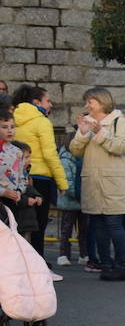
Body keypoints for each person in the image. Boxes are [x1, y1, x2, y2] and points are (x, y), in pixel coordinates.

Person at [70, 87, 125, 282]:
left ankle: (120, 266)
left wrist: (100, 132)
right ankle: (105, 265)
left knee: (114, 225)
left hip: (114, 183)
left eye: (91, 101)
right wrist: (82, 133)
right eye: (87, 101)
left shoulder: (118, 121)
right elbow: (75, 151)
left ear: (102, 102)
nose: (87, 105)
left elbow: (122, 146)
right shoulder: (88, 124)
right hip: (94, 182)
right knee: (97, 225)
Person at [11, 86, 68, 270]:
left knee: (21, 223)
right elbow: (50, 154)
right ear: (37, 103)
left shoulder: (14, 119)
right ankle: (38, 264)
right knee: (39, 224)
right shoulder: (41, 121)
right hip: (41, 175)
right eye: (48, 101)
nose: (50, 104)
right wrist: (62, 182)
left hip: (20, 174)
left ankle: (23, 263)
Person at [54, 133, 83, 267]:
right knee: (66, 229)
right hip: (70, 201)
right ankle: (63, 254)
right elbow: (68, 183)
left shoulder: (81, 158)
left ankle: (84, 254)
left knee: (84, 229)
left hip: (81, 199)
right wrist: (80, 194)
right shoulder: (65, 160)